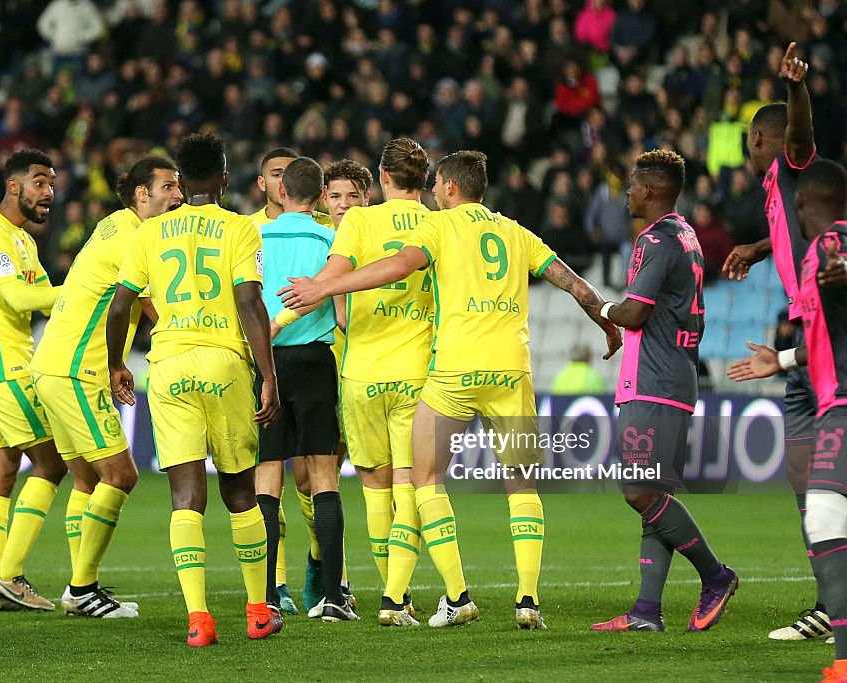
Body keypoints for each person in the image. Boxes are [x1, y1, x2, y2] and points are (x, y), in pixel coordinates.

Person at [279, 150, 621, 628]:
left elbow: (398, 266)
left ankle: (436, 597)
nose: (433, 190)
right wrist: (605, 317)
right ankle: (527, 600)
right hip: (511, 374)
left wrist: (323, 289)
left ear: (451, 188)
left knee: (425, 481)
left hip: (453, 375)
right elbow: (572, 283)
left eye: (438, 183)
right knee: (522, 485)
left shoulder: (439, 228)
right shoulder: (517, 232)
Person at [106, 132, 282, 646]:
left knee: (186, 497)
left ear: (179, 181)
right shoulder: (240, 231)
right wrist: (268, 375)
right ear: (225, 178)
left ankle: (199, 620)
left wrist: (118, 363)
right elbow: (251, 303)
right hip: (224, 364)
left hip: (168, 367)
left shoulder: (149, 233)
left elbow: (121, 306)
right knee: (241, 491)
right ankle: (256, 610)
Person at [721, 43, 847, 641]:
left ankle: (833, 606)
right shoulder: (780, 197)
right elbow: (796, 232)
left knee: (824, 484)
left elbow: (800, 136)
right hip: (801, 345)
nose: (749, 152)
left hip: (823, 347)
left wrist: (796, 89)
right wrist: (757, 245)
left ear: (766, 143)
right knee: (806, 481)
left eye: (752, 141)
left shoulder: (790, 164)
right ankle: (831, 601)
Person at [30, 156, 183, 617]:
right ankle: (82, 588)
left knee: (86, 479)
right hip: (77, 370)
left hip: (56, 366)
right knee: (121, 475)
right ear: (143, 194)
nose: (177, 196)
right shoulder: (137, 236)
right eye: (169, 187)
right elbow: (154, 304)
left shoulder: (114, 226)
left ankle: (83, 582)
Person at [592, 149, 738, 633]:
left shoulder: (654, 240)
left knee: (638, 491)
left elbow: (635, 312)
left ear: (651, 190)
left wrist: (602, 309)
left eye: (632, 185)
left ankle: (716, 576)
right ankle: (646, 612)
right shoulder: (686, 235)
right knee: (651, 495)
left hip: (654, 381)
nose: (627, 192)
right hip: (672, 376)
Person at [292, 139, 431, 625]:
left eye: (353, 195)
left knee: (369, 484)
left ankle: (368, 588)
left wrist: (319, 294)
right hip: (409, 369)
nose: (344, 205)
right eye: (336, 196)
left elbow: (337, 300)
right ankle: (388, 592)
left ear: (378, 183)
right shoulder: (437, 223)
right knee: (405, 484)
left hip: (356, 371)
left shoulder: (354, 228)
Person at [0, 149, 66, 612]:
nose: (50, 191)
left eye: (52, 182)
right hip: (3, 368)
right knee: (53, 464)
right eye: (40, 182)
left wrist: (85, 292)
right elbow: (23, 298)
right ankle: (9, 576)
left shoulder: (24, 242)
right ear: (13, 186)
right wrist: (84, 290)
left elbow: (48, 301)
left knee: (0, 476)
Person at [256, 156, 354, 621]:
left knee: (268, 474)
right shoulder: (332, 240)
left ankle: (268, 595)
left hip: (267, 363)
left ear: (280, 191)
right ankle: (334, 596)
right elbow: (340, 313)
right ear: (318, 197)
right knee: (323, 476)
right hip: (316, 360)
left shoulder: (253, 238)